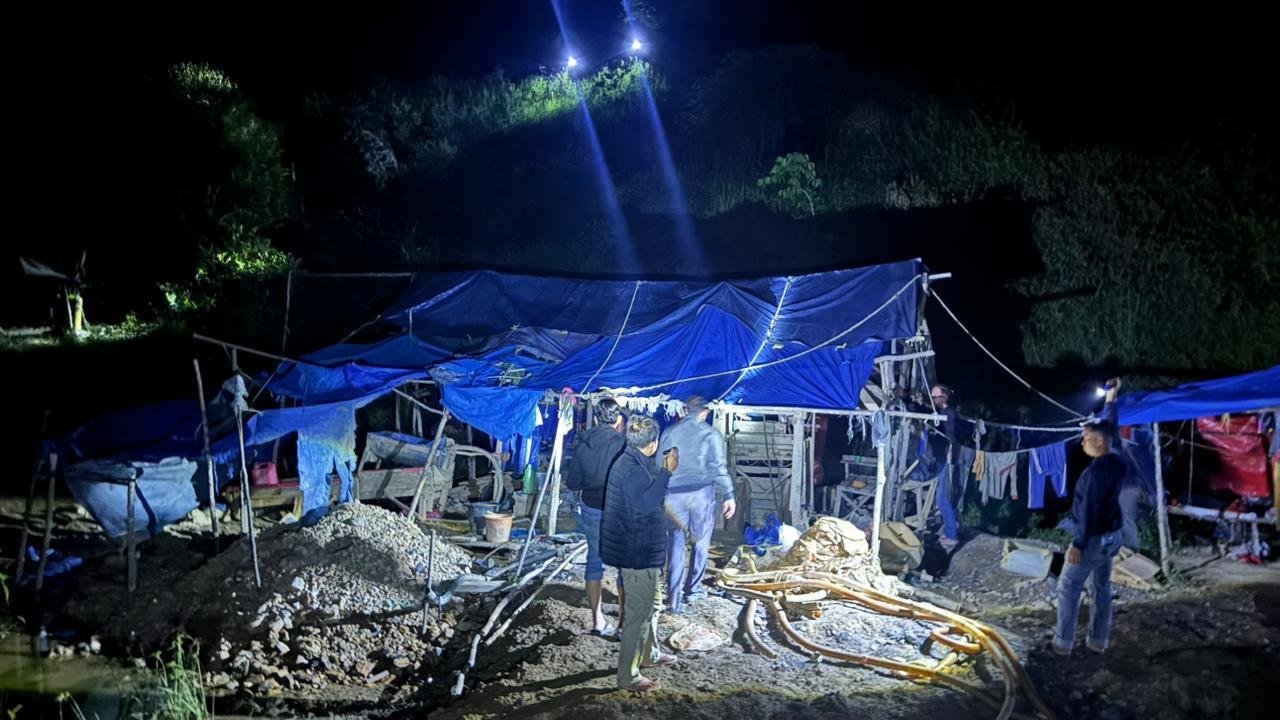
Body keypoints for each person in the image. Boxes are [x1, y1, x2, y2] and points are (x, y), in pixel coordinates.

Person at [600, 414, 679, 691]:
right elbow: (647, 504)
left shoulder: (632, 461)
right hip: (637, 553)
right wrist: (667, 472)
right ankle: (629, 676)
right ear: (653, 443)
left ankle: (649, 653)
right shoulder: (632, 469)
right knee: (638, 613)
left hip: (642, 550)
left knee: (653, 605)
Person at [658, 396, 736, 613]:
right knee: (700, 542)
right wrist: (728, 494)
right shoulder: (710, 434)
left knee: (675, 543)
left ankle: (673, 600)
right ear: (705, 412)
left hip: (673, 495)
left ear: (685, 410)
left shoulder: (670, 432)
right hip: (700, 494)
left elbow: (659, 463)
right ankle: (693, 590)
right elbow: (717, 467)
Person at [1053, 420, 1125, 656]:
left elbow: (1089, 510)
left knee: (1068, 585)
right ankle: (1098, 640)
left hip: (1092, 539)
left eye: (1086, 437)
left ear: (1100, 440)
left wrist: (1078, 543)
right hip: (1111, 536)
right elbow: (1113, 432)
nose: (1083, 442)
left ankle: (1063, 643)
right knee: (1101, 587)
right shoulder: (1116, 461)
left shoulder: (1096, 472)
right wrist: (1111, 403)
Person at [563, 397, 626, 636]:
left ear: (597, 419)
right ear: (618, 420)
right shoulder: (624, 445)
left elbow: (573, 482)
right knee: (623, 566)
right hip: (618, 511)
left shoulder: (583, 443)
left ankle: (598, 622)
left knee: (594, 561)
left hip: (591, 509)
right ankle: (622, 624)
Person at [1097, 378, 1146, 549]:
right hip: (1125, 487)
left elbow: (1108, 420)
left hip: (1125, 487)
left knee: (1124, 521)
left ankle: (1131, 554)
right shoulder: (1111, 449)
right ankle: (1122, 552)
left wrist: (1111, 394)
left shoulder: (1111, 448)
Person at [929, 384, 962, 550]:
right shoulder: (943, 413)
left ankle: (952, 536)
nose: (933, 400)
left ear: (944, 398)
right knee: (943, 497)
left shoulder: (949, 414)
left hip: (947, 459)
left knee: (942, 499)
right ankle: (953, 526)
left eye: (935, 398)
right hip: (943, 459)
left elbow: (950, 438)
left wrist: (936, 429)